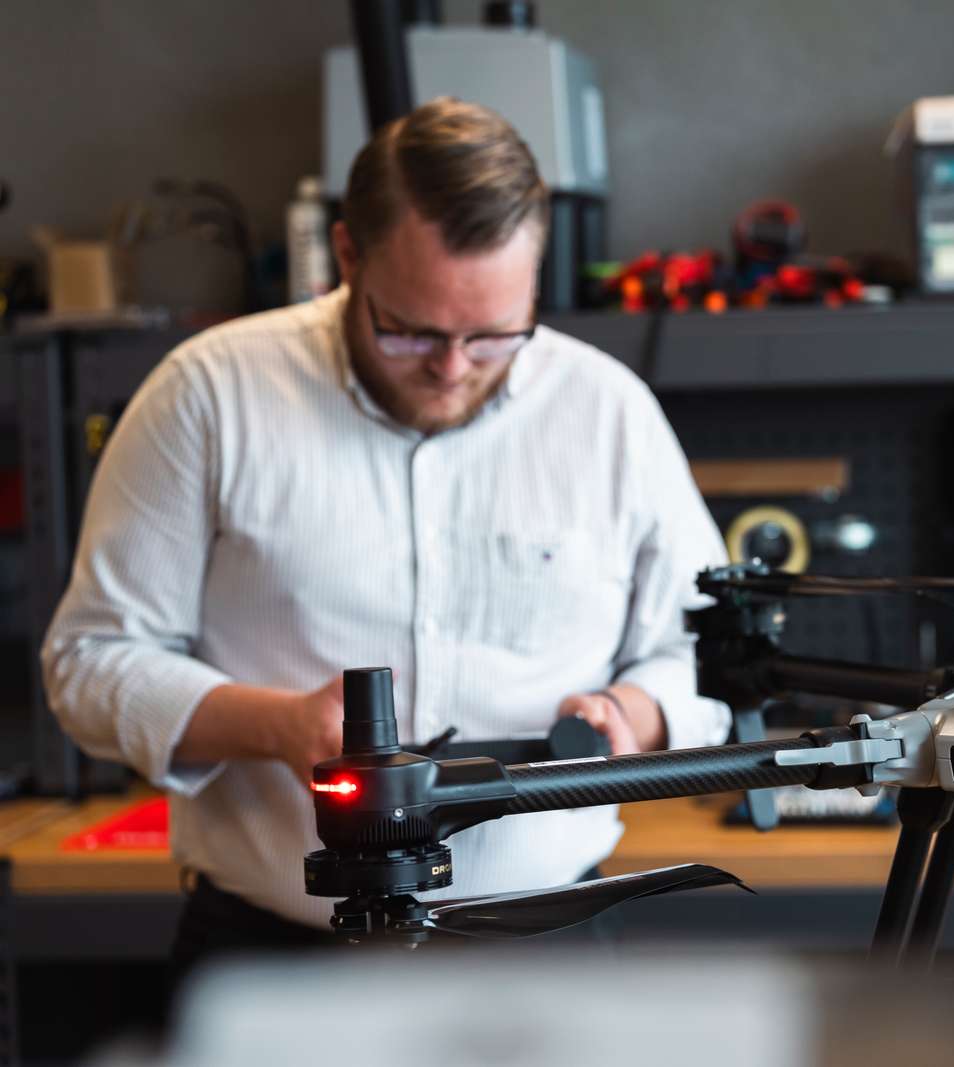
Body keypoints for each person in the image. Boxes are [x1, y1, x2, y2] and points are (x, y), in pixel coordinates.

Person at [40, 98, 729, 963]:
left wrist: (637, 712)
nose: (450, 368)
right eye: (411, 332)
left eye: (492, 336)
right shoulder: (209, 396)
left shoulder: (608, 412)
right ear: (346, 255)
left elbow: (707, 655)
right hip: (277, 958)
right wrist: (278, 725)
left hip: (552, 953)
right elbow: (90, 663)